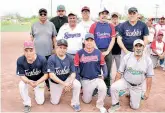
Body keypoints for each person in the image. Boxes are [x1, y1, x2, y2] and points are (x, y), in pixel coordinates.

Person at [109, 39, 154, 112]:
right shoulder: (127, 57)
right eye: (136, 46)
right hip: (126, 82)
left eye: (140, 46)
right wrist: (116, 85)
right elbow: (119, 72)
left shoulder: (148, 60)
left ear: (143, 47)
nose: (138, 48)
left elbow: (149, 77)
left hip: (137, 85)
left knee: (135, 107)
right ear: (133, 48)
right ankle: (115, 104)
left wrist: (147, 92)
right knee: (113, 87)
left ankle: (134, 93)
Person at [74, 33, 108, 113]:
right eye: (87, 40)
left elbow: (104, 65)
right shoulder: (79, 53)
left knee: (103, 87)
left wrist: (104, 75)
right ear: (84, 42)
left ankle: (100, 105)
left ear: (93, 42)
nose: (89, 42)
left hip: (96, 78)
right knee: (86, 101)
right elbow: (76, 68)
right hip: (85, 79)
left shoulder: (98, 52)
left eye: (91, 40)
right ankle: (85, 93)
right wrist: (80, 83)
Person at [47, 39, 81, 112]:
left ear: (66, 49)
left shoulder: (70, 57)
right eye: (60, 47)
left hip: (66, 79)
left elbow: (73, 72)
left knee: (77, 84)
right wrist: (64, 84)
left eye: (64, 48)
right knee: (54, 102)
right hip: (56, 82)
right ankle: (56, 91)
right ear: (56, 48)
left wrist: (70, 83)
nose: (62, 49)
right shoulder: (51, 58)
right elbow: (52, 75)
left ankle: (75, 103)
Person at [89, 8, 116, 96]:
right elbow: (91, 39)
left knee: (107, 70)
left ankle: (107, 87)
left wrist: (108, 51)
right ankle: (95, 87)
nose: (104, 15)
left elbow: (113, 39)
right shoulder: (94, 25)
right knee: (95, 70)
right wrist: (97, 51)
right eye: (102, 13)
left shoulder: (111, 25)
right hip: (96, 50)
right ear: (99, 15)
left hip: (107, 51)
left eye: (106, 14)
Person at [16, 41, 48, 113]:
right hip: (28, 80)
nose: (28, 53)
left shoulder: (42, 59)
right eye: (26, 50)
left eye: (31, 50)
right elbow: (22, 75)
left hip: (39, 80)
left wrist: (37, 82)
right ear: (23, 51)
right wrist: (29, 81)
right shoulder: (20, 60)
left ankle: (38, 92)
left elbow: (46, 75)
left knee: (40, 102)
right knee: (21, 85)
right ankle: (27, 103)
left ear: (35, 50)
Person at [30, 8, 57, 90]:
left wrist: (55, 48)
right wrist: (31, 49)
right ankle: (38, 84)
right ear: (39, 15)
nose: (43, 15)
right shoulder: (34, 25)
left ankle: (49, 84)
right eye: (41, 14)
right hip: (37, 52)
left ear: (46, 15)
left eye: (44, 14)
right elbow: (31, 37)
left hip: (48, 52)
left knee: (49, 69)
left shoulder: (51, 24)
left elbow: (54, 37)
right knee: (38, 69)